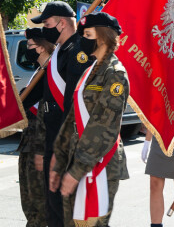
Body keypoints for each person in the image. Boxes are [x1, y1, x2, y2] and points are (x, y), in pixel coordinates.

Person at [50, 12, 129, 226]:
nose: (83, 40)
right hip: (78, 160)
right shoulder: (90, 71)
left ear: (103, 37)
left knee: (94, 223)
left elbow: (104, 125)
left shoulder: (115, 73)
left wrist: (76, 171)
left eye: (87, 34)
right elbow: (72, 118)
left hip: (99, 164)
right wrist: (60, 154)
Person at [31, 1, 93, 227]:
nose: (45, 29)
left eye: (47, 23)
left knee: (66, 208)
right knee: (53, 205)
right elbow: (41, 91)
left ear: (62, 22)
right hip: (52, 137)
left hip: (66, 141)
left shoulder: (77, 51)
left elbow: (72, 101)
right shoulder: (59, 51)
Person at [18, 28, 55, 226]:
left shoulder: (51, 74)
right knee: (28, 203)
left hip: (39, 146)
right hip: (28, 143)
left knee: (38, 206)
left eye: (30, 46)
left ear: (41, 48)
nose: (28, 50)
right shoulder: (39, 72)